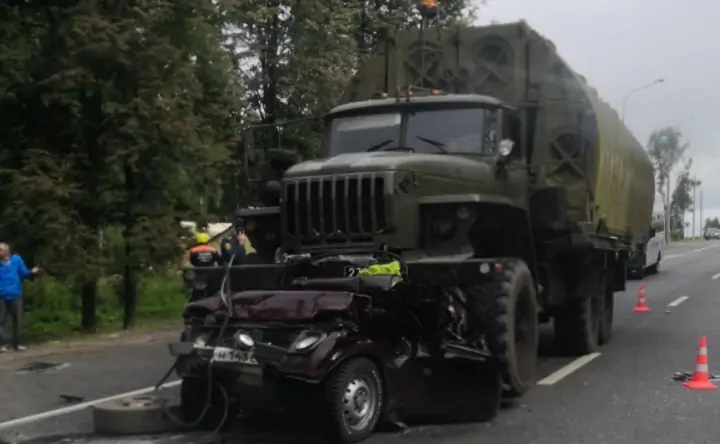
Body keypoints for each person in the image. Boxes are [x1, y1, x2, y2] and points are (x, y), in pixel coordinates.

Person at [0, 242, 41, 352]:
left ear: (6, 251)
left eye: (0, 250)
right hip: (2, 296)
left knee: (17, 320)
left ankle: (17, 344)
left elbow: (24, 273)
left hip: (15, 294)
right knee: (1, 321)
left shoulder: (16, 260)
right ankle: (3, 344)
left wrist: (31, 272)